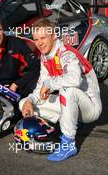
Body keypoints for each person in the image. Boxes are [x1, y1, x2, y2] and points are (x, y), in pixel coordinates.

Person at [19, 18, 102, 161]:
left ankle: (68, 143)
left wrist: (50, 84)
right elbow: (41, 86)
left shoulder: (66, 53)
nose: (39, 43)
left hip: (90, 107)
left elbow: (74, 80)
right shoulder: (45, 57)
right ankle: (60, 128)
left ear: (54, 36)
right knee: (24, 103)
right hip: (74, 105)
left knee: (67, 90)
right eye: (36, 39)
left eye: (43, 38)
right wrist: (31, 100)